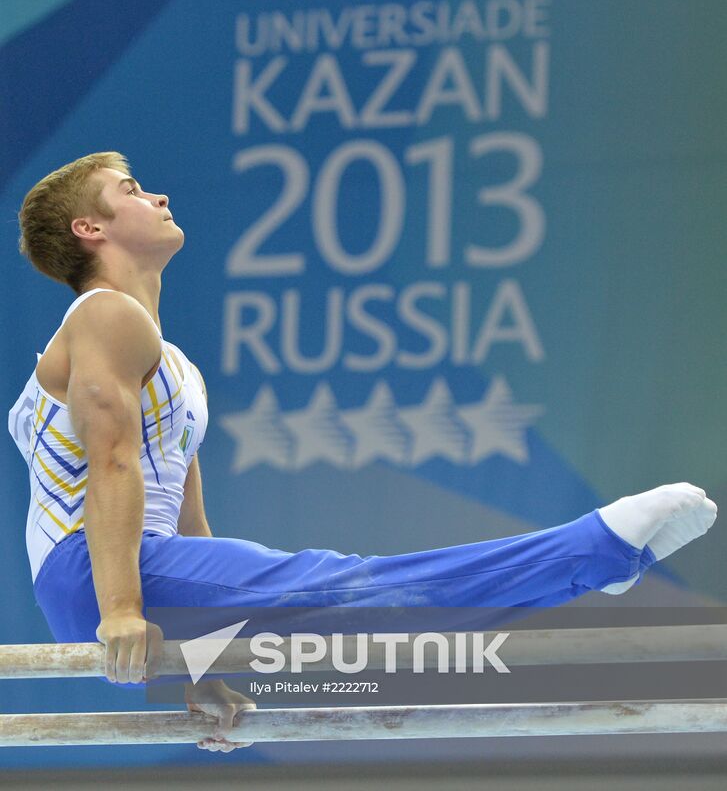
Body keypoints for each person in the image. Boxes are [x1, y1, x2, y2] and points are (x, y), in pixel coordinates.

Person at [8, 152, 718, 754]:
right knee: (351, 591)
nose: (156, 195)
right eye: (129, 190)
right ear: (89, 228)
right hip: (97, 572)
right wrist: (123, 609)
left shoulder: (177, 366)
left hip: (144, 571)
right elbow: (112, 465)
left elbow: (188, 523)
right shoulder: (104, 315)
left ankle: (596, 563)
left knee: (376, 625)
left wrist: (199, 664)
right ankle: (589, 553)